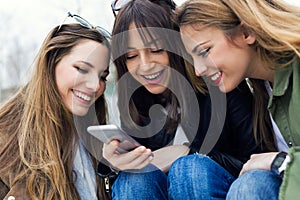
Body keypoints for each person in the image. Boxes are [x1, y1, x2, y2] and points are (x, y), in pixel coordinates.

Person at [99, 0, 271, 199]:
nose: (144, 66)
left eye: (156, 50)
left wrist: (188, 153)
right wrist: (114, 164)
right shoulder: (137, 100)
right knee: (134, 179)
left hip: (222, 187)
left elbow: (257, 161)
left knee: (190, 169)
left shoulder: (221, 83)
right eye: (131, 56)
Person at [175, 0, 300, 199]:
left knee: (250, 186)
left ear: (246, 32)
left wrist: (280, 162)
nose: (198, 71)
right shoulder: (261, 88)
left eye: (205, 51)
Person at [0, 17, 112, 199]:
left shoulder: (96, 139)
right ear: (52, 62)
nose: (95, 86)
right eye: (82, 69)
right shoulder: (7, 138)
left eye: (102, 76)